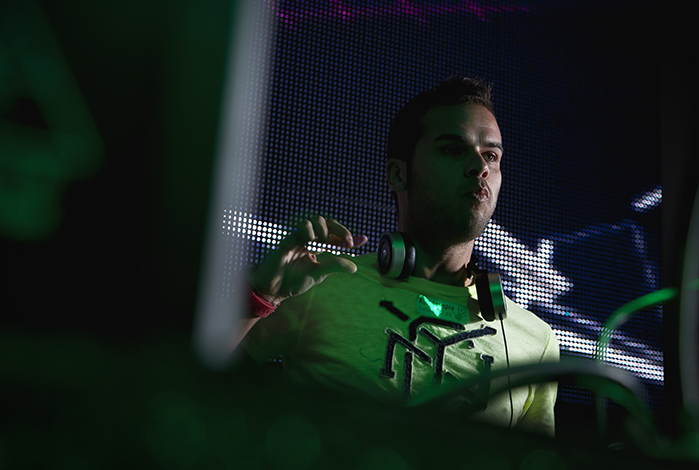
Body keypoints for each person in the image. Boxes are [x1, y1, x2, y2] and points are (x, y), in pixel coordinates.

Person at [232, 76, 559, 437]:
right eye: (452, 149)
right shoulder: (318, 287)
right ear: (398, 174)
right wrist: (261, 295)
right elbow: (196, 377)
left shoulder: (536, 341)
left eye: (491, 156)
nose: (479, 167)